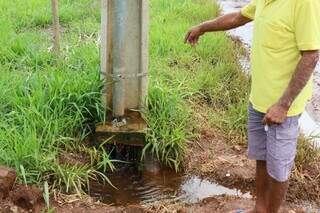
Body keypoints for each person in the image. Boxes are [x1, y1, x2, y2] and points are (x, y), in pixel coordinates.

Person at [185, 0, 320, 212]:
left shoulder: (305, 3)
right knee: (261, 157)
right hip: (258, 99)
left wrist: (283, 105)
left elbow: (311, 55)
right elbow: (237, 17)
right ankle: (259, 209)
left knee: (278, 167)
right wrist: (202, 27)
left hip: (282, 108)